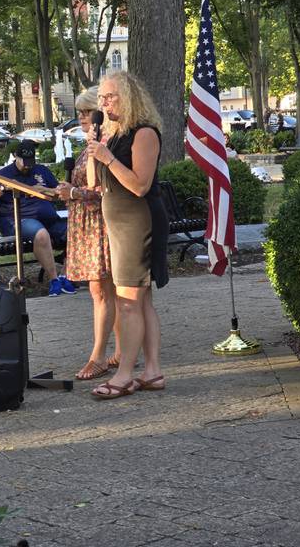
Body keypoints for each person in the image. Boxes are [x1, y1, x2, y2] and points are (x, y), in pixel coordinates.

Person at [86, 71, 169, 399]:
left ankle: (124, 375)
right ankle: (152, 372)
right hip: (120, 226)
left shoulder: (144, 133)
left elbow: (139, 185)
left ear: (129, 97)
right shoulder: (114, 135)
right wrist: (95, 146)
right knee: (140, 299)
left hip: (140, 223)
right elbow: (95, 182)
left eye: (110, 97)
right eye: (101, 98)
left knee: (129, 303)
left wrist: (107, 157)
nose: (103, 103)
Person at [54, 87, 121, 380]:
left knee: (103, 290)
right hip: (87, 223)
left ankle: (99, 355)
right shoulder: (91, 143)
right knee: (103, 290)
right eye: (79, 112)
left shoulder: (104, 143)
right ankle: (118, 350)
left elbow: (102, 189)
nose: (80, 117)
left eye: (86, 112)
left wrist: (73, 192)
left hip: (100, 223)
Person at [0, 140, 75, 297]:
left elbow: (58, 191)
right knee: (41, 234)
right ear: (15, 157)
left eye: (31, 162)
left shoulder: (41, 171)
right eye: (24, 162)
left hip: (49, 219)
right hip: (19, 220)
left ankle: (65, 275)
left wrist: (42, 189)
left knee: (76, 231)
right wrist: (4, 187)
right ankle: (54, 281)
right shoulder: (5, 174)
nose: (27, 166)